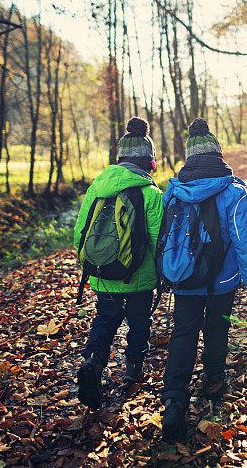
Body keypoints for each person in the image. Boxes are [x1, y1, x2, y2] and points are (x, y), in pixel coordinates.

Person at [161, 118, 247, 441]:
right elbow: (244, 240)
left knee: (184, 332)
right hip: (223, 280)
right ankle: (213, 379)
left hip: (185, 276)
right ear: (219, 156)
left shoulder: (174, 191)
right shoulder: (232, 191)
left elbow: (163, 237)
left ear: (190, 159)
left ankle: (174, 400)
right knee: (217, 327)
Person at [73, 117, 164, 409]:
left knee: (105, 319)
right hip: (139, 277)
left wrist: (94, 265)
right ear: (148, 161)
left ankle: (93, 362)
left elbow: (80, 234)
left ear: (120, 158)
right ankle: (132, 370)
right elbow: (157, 239)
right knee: (139, 322)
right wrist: (161, 273)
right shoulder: (150, 193)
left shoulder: (97, 188)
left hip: (103, 273)